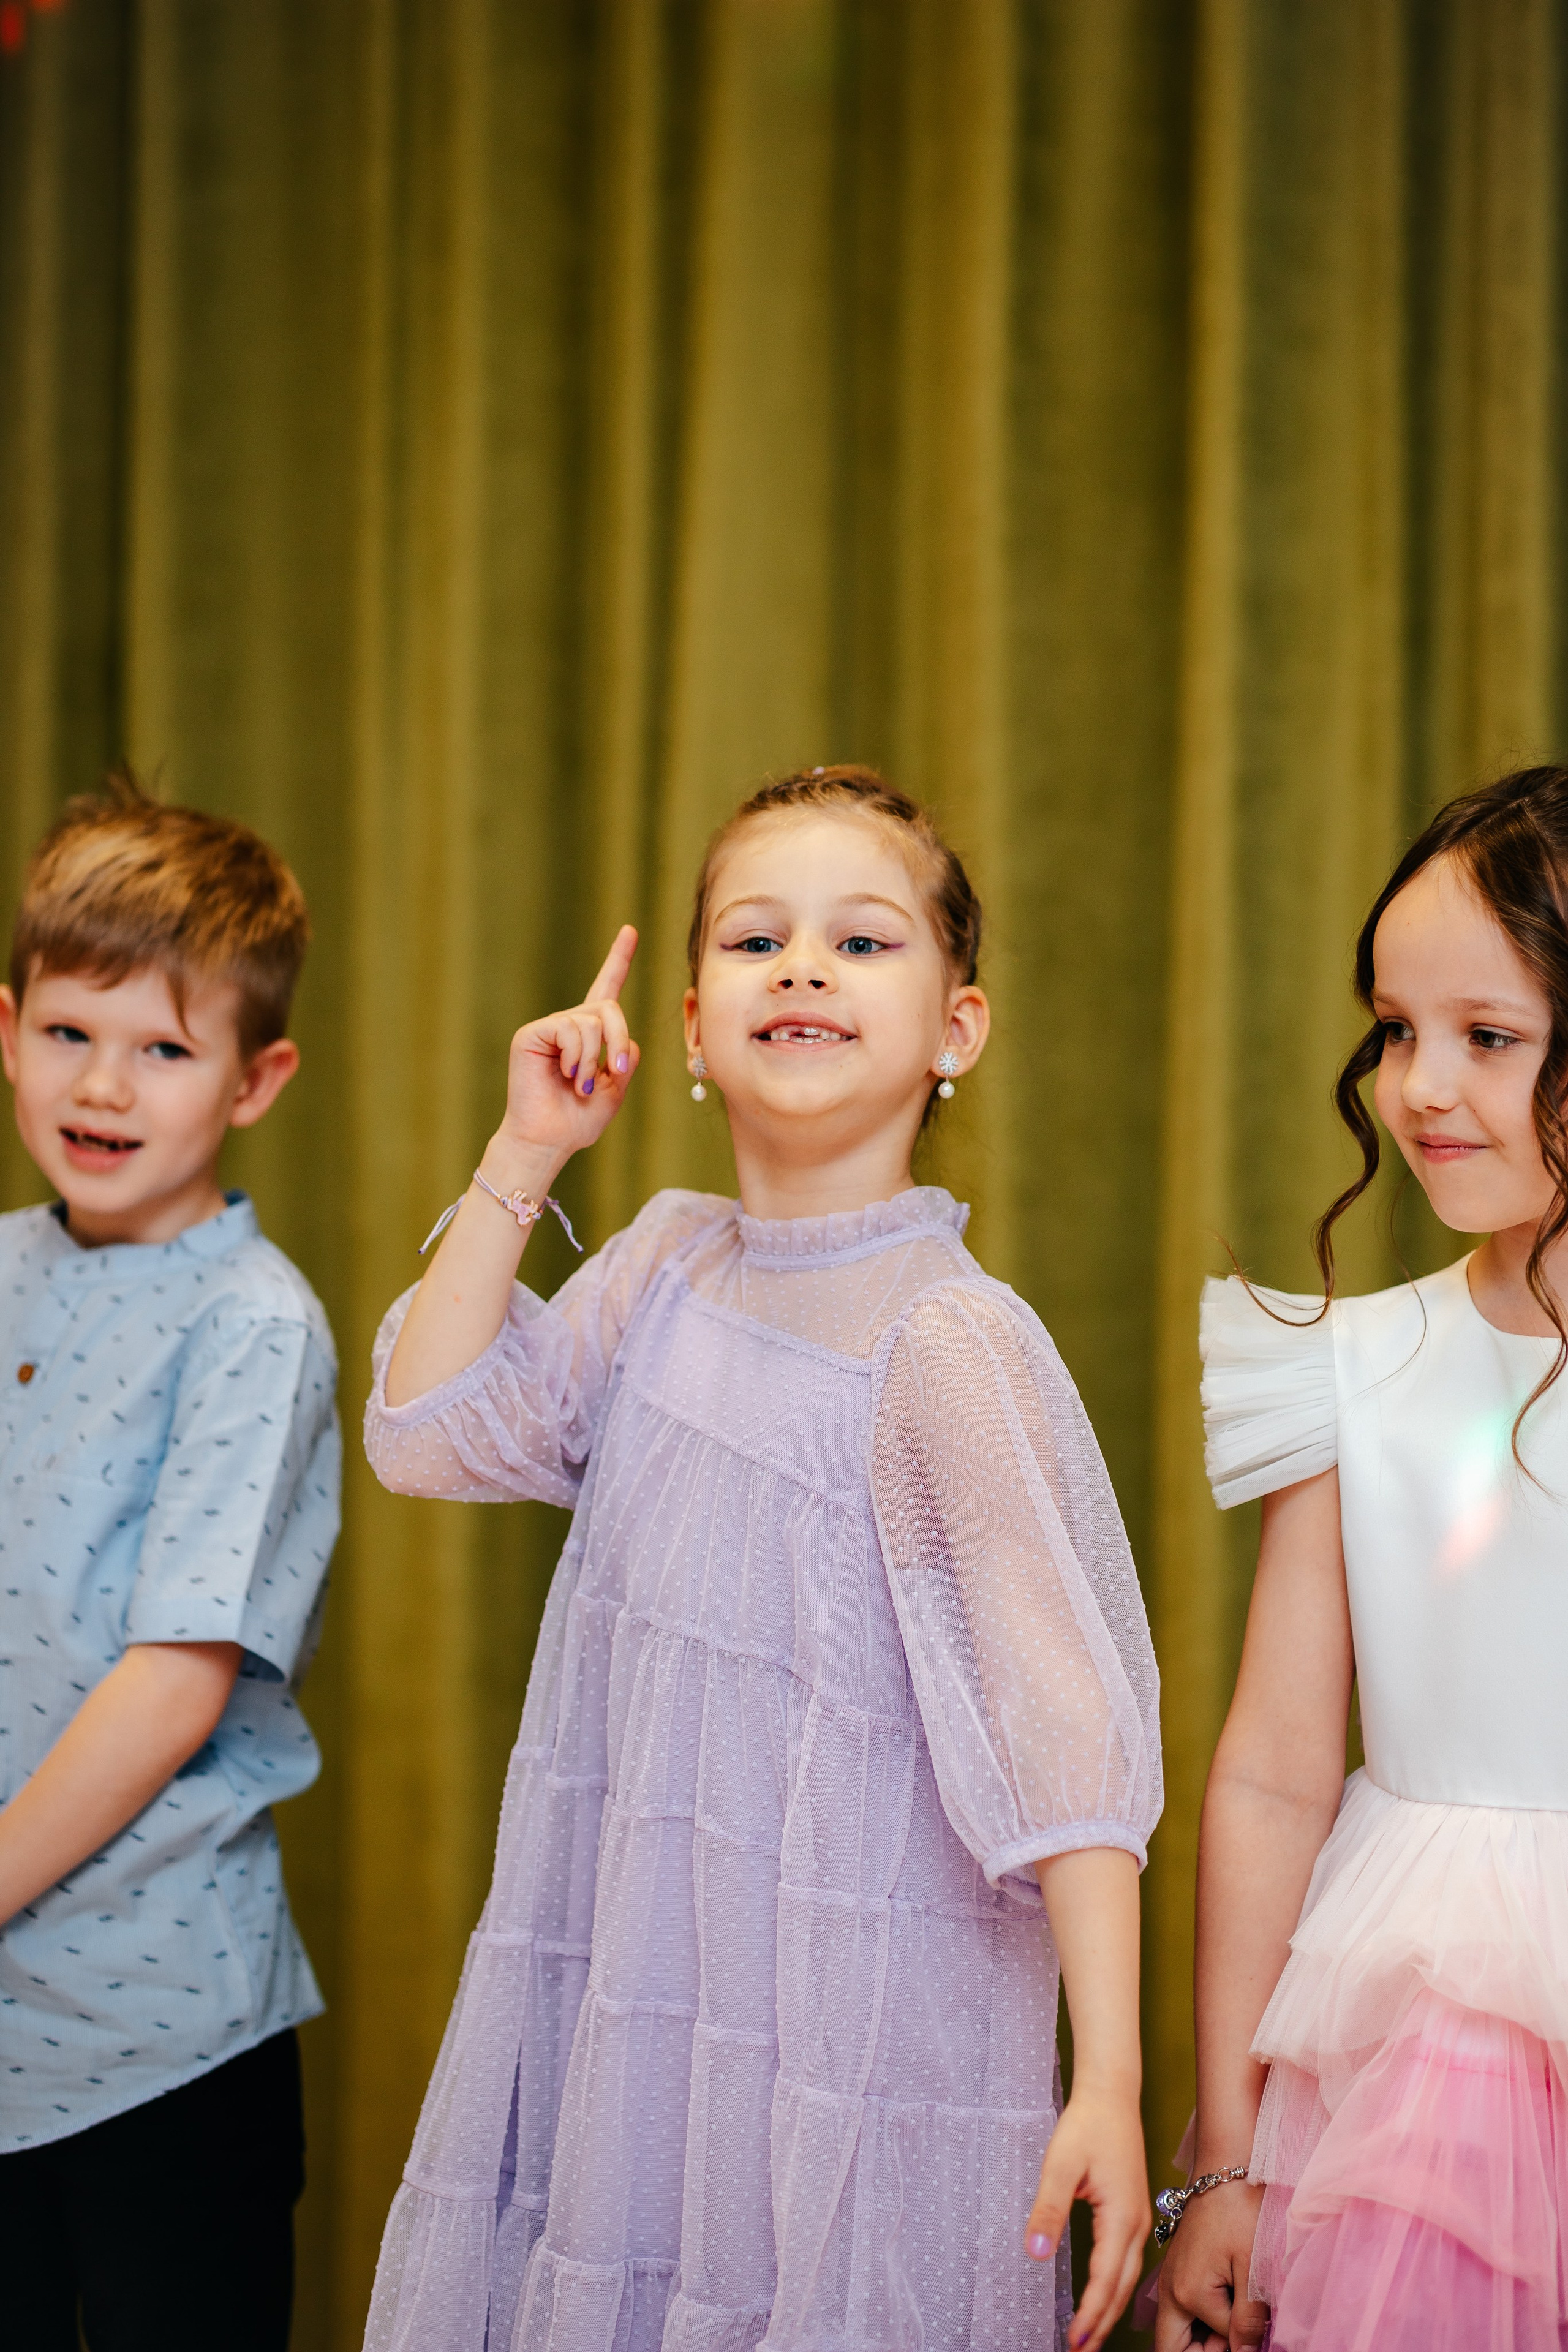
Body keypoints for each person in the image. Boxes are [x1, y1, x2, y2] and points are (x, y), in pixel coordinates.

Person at [361, 767, 1162, 2352]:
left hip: (853, 2026)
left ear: (957, 1029)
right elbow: (427, 1433)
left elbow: (1068, 1734)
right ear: (690, 1024)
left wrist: (1114, 2078)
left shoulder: (946, 1340)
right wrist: (526, 1153)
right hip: (649, 1999)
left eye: (860, 942)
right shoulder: (661, 1264)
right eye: (754, 940)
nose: (800, 969)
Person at [1156, 763, 1568, 2352]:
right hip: (1420, 2061)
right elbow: (1272, 1773)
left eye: (1488, 1036)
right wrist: (1225, 2160)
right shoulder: (1352, 1368)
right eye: (1396, 1031)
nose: (1419, 1088)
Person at [0, 775, 341, 2352]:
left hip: (162, 2043)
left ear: (256, 1079)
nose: (104, 1086)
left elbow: (174, 1680)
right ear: (10, 1031)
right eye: (71, 1032)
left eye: (163, 1048)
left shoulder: (249, 1324)